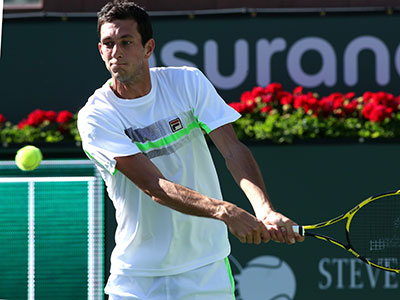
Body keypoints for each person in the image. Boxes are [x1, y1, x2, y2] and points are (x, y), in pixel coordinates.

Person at [78, 1, 304, 299]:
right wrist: (225, 211)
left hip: (206, 271)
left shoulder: (186, 82)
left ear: (148, 48)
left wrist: (264, 210)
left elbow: (232, 150)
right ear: (100, 50)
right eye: (108, 44)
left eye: (126, 42)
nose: (116, 52)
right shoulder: (96, 116)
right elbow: (153, 187)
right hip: (137, 278)